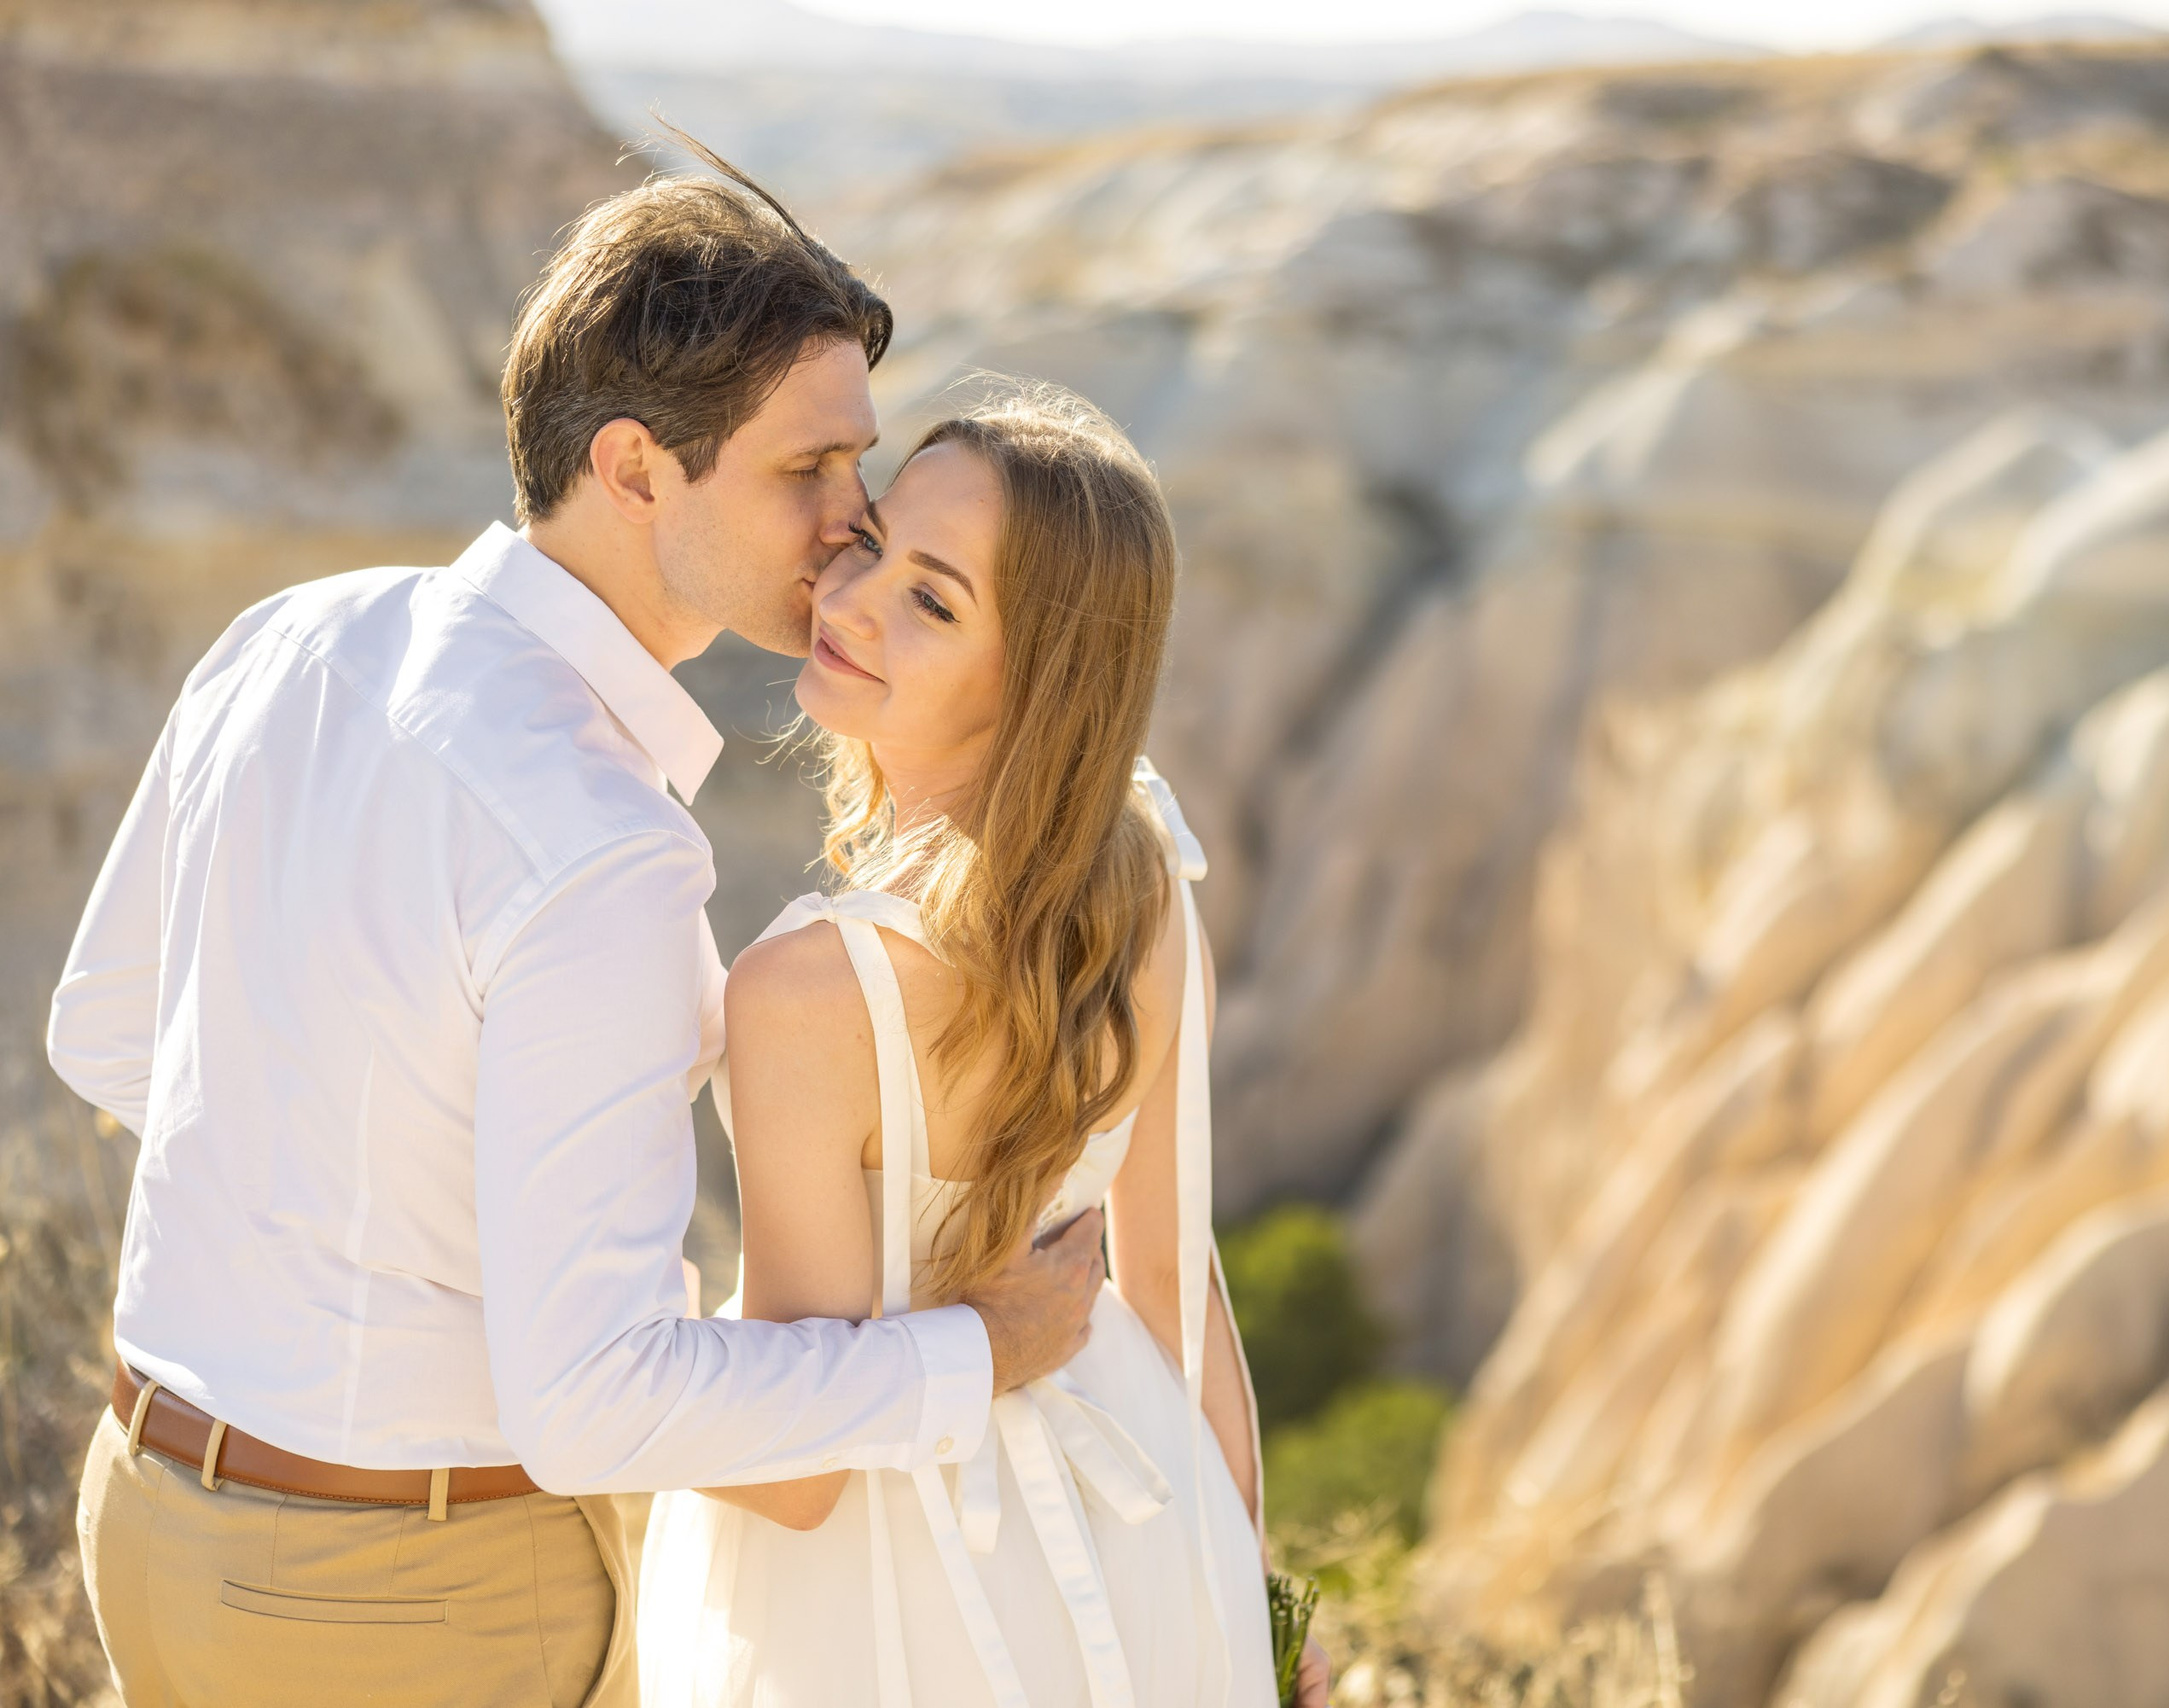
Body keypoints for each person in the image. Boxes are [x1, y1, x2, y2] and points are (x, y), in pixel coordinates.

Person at [46, 153, 1106, 1708]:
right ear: (633, 469)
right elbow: (597, 1407)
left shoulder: (290, 635)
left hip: (145, 1516)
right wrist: (980, 1355)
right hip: (409, 1602)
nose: (852, 521)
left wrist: (355, 1231)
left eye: (856, 463)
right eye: (806, 469)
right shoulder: (600, 851)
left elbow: (106, 1032)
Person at [634, 386, 1331, 1708]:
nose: (848, 602)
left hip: (885, 1599)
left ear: (1041, 676)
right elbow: (1178, 1293)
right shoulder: (1140, 868)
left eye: (935, 603)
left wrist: (574, 1338)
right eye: (877, 543)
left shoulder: (802, 992)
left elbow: (795, 1471)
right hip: (1146, 1524)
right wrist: (1259, 1607)